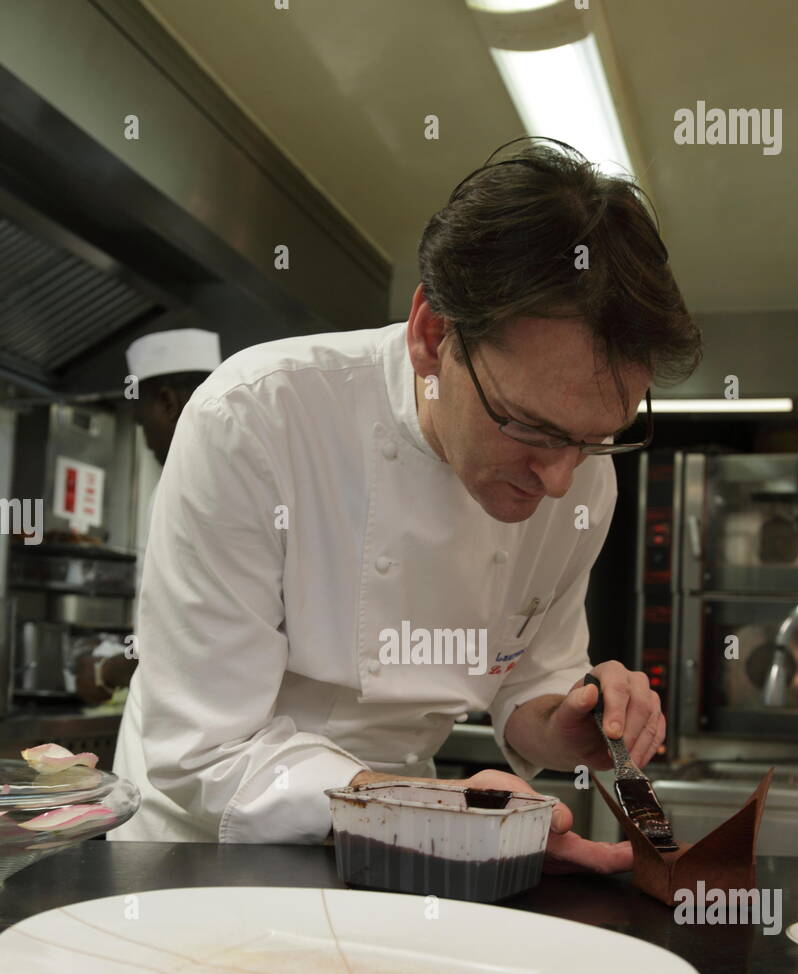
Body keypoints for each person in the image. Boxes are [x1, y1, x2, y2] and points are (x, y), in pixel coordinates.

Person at [110, 138, 701, 874]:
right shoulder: (255, 419)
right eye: (530, 425)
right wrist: (441, 813)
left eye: (591, 438)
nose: (557, 480)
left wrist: (569, 724)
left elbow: (528, 676)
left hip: (404, 850)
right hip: (200, 857)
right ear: (433, 335)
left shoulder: (583, 479)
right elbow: (202, 751)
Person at [75, 329, 221, 704]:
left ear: (167, 403)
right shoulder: (228, 472)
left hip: (185, 713)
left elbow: (179, 629)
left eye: (141, 422)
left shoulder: (185, 483)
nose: (146, 438)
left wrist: (107, 671)